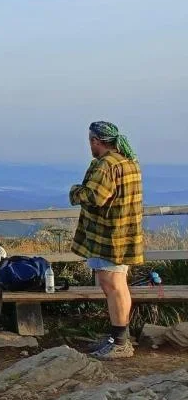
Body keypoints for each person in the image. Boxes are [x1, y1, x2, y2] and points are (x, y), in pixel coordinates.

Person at [69, 121, 143, 360]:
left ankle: (121, 342)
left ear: (96, 141)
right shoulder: (128, 161)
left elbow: (94, 197)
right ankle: (117, 337)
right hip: (124, 231)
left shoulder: (106, 165)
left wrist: (75, 191)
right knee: (114, 284)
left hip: (109, 235)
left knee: (113, 286)